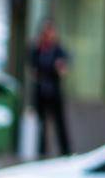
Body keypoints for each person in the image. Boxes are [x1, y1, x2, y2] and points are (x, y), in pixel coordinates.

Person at [28, 20, 72, 158]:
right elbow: (32, 69)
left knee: (59, 122)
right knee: (41, 123)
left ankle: (65, 151)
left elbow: (63, 69)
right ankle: (40, 151)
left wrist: (59, 68)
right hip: (41, 91)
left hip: (54, 91)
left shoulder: (58, 50)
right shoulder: (38, 49)